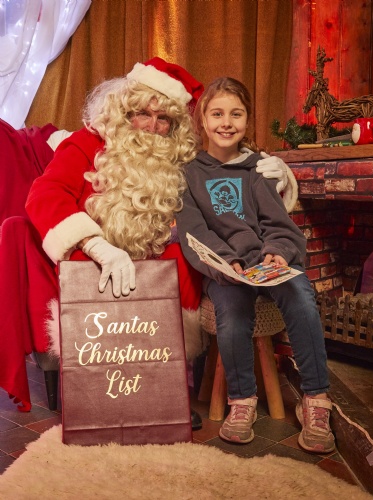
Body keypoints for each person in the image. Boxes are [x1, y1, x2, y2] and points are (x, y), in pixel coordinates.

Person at [4, 58, 291, 428]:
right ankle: (98, 394)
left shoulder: (182, 158)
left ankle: (161, 390)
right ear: (125, 111)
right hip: (92, 260)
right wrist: (97, 246)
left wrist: (276, 182)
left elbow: (230, 199)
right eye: (143, 114)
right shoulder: (87, 143)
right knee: (69, 254)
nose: (152, 127)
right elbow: (45, 195)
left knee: (183, 254)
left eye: (163, 119)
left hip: (155, 263)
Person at [176, 77, 335, 453]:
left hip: (267, 263)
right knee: (232, 312)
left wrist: (277, 252)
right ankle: (242, 400)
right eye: (217, 114)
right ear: (203, 119)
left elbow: (278, 225)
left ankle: (315, 400)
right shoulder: (188, 174)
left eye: (236, 114)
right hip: (225, 270)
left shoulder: (258, 168)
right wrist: (227, 263)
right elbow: (194, 233)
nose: (226, 122)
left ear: (247, 119)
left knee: (300, 295)